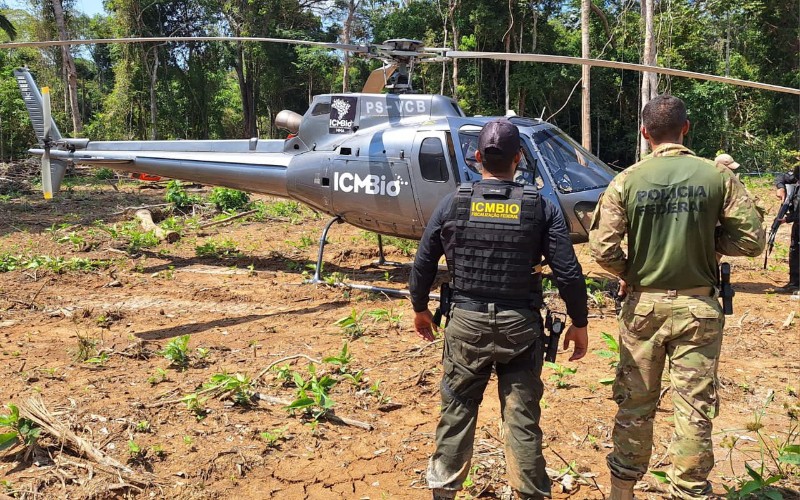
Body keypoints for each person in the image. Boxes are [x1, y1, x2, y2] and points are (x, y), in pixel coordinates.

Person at [589, 95, 765, 500]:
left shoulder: (627, 180)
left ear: (644, 132)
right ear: (686, 128)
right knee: (694, 408)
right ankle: (688, 490)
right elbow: (752, 241)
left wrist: (630, 274)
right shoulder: (717, 177)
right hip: (699, 308)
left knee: (635, 403)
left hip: (643, 307)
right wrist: (712, 242)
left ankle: (622, 489)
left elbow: (603, 249)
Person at [409, 118, 590, 500]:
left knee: (457, 410)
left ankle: (443, 490)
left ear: (477, 157)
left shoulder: (453, 202)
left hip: (466, 323)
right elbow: (568, 271)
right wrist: (579, 321)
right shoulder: (539, 206)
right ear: (518, 158)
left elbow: (424, 262)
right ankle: (531, 493)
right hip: (520, 325)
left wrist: (420, 307)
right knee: (522, 418)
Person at [774, 163, 799, 292]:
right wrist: (780, 188)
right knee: (795, 251)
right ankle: (795, 283)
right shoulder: (796, 175)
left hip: (796, 219)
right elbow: (781, 177)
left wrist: (787, 219)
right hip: (797, 224)